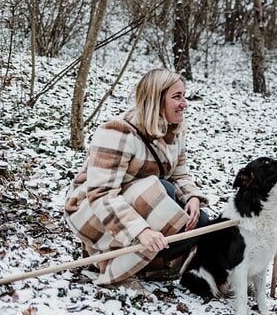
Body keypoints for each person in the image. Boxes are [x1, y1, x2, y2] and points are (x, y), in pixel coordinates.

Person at [64, 68, 209, 286]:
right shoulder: (118, 132)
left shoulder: (174, 130)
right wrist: (141, 231)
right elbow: (101, 194)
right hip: (93, 212)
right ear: (155, 99)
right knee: (162, 190)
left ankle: (149, 262)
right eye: (177, 97)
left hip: (144, 200)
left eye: (184, 96)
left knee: (200, 222)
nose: (184, 103)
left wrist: (192, 198)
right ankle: (113, 261)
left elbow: (180, 173)